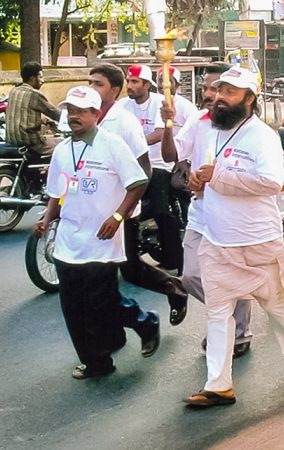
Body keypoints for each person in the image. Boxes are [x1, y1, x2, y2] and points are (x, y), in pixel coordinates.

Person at [182, 67, 284, 408]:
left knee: (275, 303)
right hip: (216, 238)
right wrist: (198, 182)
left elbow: (272, 182)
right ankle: (219, 385)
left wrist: (218, 176)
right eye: (219, 90)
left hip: (257, 241)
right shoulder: (211, 132)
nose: (220, 97)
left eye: (230, 92)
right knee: (217, 311)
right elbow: (206, 175)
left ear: (249, 100)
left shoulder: (262, 136)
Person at [34, 86, 156, 379]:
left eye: (79, 112)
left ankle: (144, 322)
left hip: (102, 240)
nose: (73, 117)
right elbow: (57, 191)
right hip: (67, 241)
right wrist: (48, 219)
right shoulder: (63, 150)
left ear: (96, 114)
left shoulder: (112, 145)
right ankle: (95, 362)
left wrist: (117, 216)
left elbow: (138, 183)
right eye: (69, 111)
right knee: (74, 307)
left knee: (100, 304)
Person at [83, 63, 189, 328]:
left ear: (113, 89)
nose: (92, 89)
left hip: (131, 195)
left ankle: (171, 289)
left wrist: (123, 210)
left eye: (98, 84)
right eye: (90, 83)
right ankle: (110, 337)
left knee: (129, 268)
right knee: (94, 273)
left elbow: (143, 168)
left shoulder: (125, 120)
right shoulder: (87, 114)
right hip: (91, 203)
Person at [161, 63, 254, 357]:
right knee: (190, 276)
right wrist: (167, 125)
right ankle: (226, 319)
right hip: (200, 213)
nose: (213, 95)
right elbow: (171, 155)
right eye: (210, 88)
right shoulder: (200, 121)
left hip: (233, 216)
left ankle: (235, 333)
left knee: (230, 276)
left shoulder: (249, 129)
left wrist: (218, 178)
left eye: (222, 89)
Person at [117, 65, 183, 272]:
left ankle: (174, 262)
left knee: (162, 211)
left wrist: (134, 145)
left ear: (147, 85)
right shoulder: (121, 106)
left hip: (156, 164)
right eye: (128, 81)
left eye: (135, 82)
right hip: (126, 164)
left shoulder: (158, 103)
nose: (130, 86)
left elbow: (160, 133)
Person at [157, 66, 197, 224]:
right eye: (160, 81)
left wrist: (185, 162)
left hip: (180, 161)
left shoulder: (187, 108)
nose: (163, 85)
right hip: (162, 160)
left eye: (167, 82)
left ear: (177, 85)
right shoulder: (157, 103)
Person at [7, 62, 61, 155]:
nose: (42, 80)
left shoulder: (14, 91)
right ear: (32, 79)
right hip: (32, 144)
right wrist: (71, 118)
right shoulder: (34, 94)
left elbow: (22, 114)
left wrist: (43, 120)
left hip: (12, 141)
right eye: (40, 77)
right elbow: (55, 113)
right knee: (62, 144)